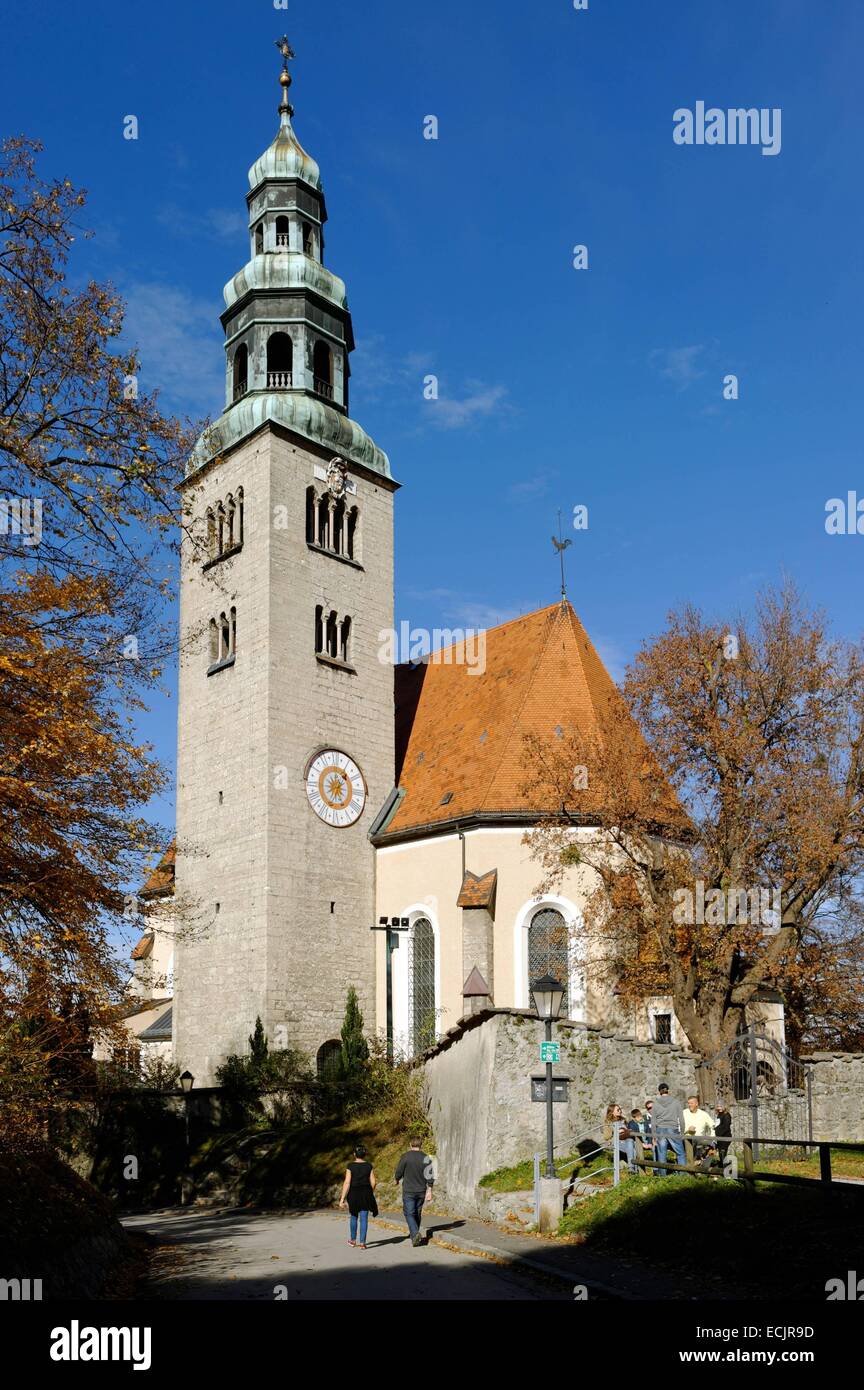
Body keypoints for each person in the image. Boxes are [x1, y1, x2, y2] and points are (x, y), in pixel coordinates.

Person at [395, 1136, 434, 1246]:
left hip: (409, 1190)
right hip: (421, 1190)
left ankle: (415, 1233)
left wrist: (397, 1179)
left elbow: (399, 1171)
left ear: (410, 1144)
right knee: (417, 1212)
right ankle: (414, 1236)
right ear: (421, 1145)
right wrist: (429, 1190)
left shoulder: (405, 1157)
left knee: (409, 1213)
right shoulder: (426, 1158)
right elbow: (430, 1175)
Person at [339, 1144, 378, 1249]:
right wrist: (370, 1191)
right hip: (366, 1193)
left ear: (354, 1154)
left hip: (354, 1194)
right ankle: (362, 1243)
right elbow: (374, 1182)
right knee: (364, 1218)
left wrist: (342, 1199)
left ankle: (352, 1240)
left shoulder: (350, 1166)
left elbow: (347, 1183)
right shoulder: (369, 1166)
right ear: (365, 1154)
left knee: (354, 1216)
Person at [652, 1082, 685, 1175]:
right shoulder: (676, 1102)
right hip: (672, 1129)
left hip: (660, 1130)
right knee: (680, 1153)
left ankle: (663, 1176)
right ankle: (683, 1175)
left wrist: (654, 1135)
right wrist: (682, 1132)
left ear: (659, 1092)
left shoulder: (656, 1104)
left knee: (662, 1154)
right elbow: (681, 1119)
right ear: (668, 1090)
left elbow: (653, 1121)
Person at [682, 1094, 716, 1171]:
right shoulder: (684, 1113)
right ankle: (692, 1166)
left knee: (713, 1147)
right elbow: (678, 1125)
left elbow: (713, 1126)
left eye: (691, 1103)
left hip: (700, 1139)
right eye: (688, 1103)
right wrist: (687, 1130)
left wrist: (712, 1137)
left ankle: (704, 1167)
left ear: (696, 1104)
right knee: (690, 1141)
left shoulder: (703, 1114)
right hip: (687, 1138)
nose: (689, 1105)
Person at [604, 1102, 637, 1174]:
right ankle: (634, 1170)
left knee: (630, 1141)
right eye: (618, 1110)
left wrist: (626, 1130)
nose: (620, 1111)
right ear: (612, 1112)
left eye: (620, 1109)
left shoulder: (624, 1120)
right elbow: (606, 1137)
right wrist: (616, 1131)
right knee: (633, 1150)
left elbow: (629, 1130)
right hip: (617, 1142)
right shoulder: (608, 1122)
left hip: (627, 1140)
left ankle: (631, 1169)